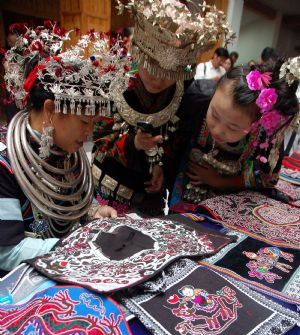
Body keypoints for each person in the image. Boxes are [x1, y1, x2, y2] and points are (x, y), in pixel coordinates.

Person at [0, 23, 132, 273]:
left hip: (69, 267)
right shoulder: (4, 162)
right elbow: (6, 252)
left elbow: (73, 209)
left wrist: (93, 212)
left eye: (93, 123)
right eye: (84, 122)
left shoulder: (68, 153)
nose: (88, 133)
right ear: (50, 110)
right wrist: (77, 244)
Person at [92, 0, 232, 216]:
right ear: (140, 51)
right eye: (152, 65)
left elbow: (176, 146)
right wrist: (133, 143)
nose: (158, 79)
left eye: (170, 71)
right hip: (108, 191)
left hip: (150, 200)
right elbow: (97, 138)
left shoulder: (187, 93)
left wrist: (161, 170)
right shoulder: (114, 75)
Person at [170, 59, 300, 208]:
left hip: (233, 201)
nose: (217, 130)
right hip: (186, 191)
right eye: (214, 114)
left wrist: (220, 181)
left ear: (257, 124)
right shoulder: (196, 103)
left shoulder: (267, 136)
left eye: (233, 128)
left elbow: (267, 178)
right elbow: (173, 145)